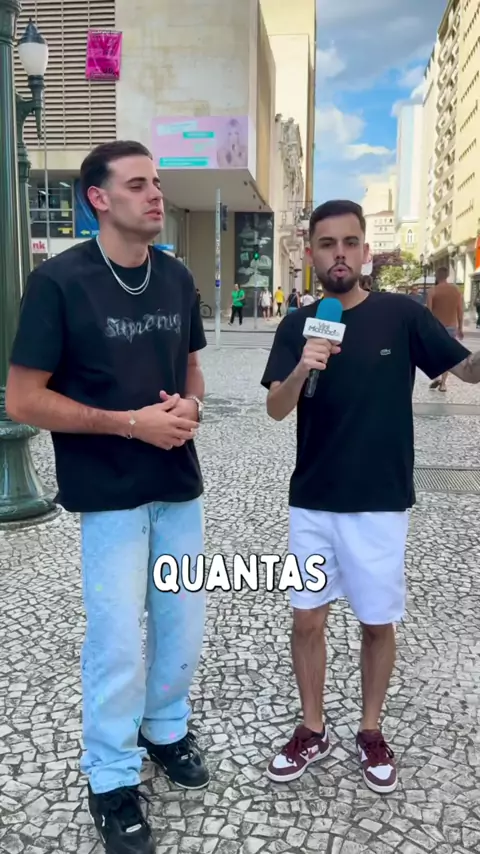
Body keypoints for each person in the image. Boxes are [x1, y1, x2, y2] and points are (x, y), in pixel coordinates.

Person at [6, 140, 210, 854]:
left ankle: (166, 730)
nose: (155, 195)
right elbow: (23, 399)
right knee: (118, 641)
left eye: (157, 182)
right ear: (98, 197)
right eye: (138, 184)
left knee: (182, 627)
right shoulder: (59, 282)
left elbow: (191, 369)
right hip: (109, 497)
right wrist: (129, 424)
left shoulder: (176, 277)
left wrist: (190, 407)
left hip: (178, 486)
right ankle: (112, 777)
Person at [260, 199, 480, 795]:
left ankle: (370, 729)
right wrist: (302, 367)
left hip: (380, 501)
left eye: (350, 242)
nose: (339, 254)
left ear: (365, 250)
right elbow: (276, 408)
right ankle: (312, 728)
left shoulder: (400, 316)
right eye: (327, 244)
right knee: (306, 619)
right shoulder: (297, 325)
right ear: (311, 253)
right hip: (312, 500)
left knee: (377, 621)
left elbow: (466, 371)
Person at [427, 267, 464, 392]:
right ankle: (443, 384)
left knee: (434, 353)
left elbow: (428, 312)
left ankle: (437, 376)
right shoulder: (456, 291)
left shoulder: (433, 291)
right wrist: (460, 327)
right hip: (451, 327)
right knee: (446, 355)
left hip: (436, 327)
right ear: (447, 275)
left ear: (437, 276)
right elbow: (460, 310)